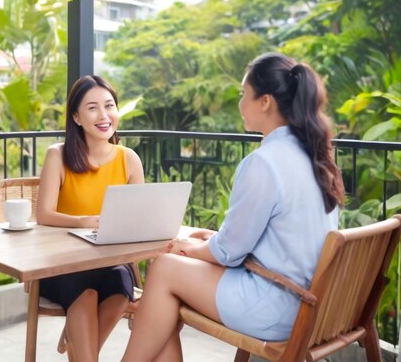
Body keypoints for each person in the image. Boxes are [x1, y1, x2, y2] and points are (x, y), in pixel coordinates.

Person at [122, 52, 345, 361]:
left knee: (164, 268)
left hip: (276, 305)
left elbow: (229, 253)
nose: (240, 102)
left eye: (244, 94)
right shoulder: (317, 158)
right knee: (167, 292)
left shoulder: (265, 163)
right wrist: (207, 240)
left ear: (265, 101)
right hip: (312, 304)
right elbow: (267, 239)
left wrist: (189, 248)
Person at [35, 74, 144, 362]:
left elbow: (138, 217)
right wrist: (84, 221)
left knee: (122, 285)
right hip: (61, 265)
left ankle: (78, 341)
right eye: (93, 107)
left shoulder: (129, 159)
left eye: (109, 106)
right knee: (86, 294)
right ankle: (79, 342)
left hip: (108, 261)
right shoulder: (57, 156)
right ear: (76, 117)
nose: (104, 115)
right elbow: (43, 215)